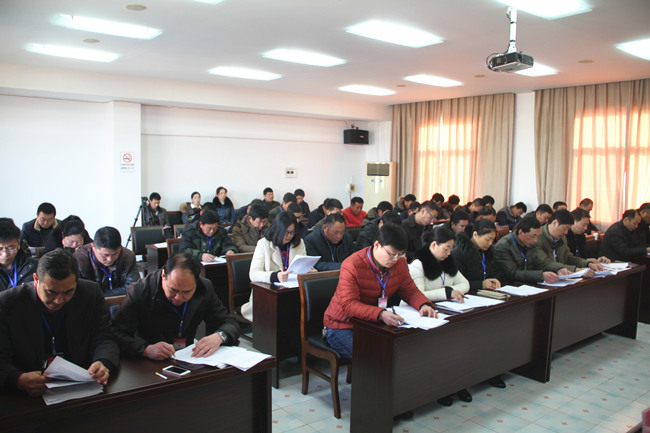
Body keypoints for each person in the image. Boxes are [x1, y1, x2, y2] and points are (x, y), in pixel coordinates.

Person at [0, 249, 118, 396]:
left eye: (68, 292)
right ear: (36, 279)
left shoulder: (90, 293)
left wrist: (103, 362)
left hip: (80, 386)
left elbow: (104, 338)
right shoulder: (8, 303)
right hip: (28, 392)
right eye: (51, 292)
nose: (59, 300)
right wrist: (18, 379)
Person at [323, 224, 436, 361]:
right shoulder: (352, 264)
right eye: (392, 254)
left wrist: (423, 304)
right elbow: (349, 305)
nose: (395, 259)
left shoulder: (400, 263)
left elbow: (410, 290)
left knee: (403, 351)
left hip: (372, 322)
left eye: (400, 254)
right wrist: (380, 314)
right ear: (377, 245)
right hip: (342, 325)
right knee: (374, 360)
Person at [111, 252, 240, 360]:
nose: (178, 297)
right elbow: (116, 332)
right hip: (147, 362)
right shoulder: (140, 291)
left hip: (187, 357)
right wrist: (145, 349)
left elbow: (229, 322)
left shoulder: (204, 288)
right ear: (163, 275)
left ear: (197, 280)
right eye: (173, 290)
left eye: (186, 292)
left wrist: (220, 336)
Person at [406, 226, 470, 406]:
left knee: (459, 345)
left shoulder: (448, 262)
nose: (449, 253)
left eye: (451, 249)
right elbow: (418, 294)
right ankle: (439, 388)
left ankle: (456, 384)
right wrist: (447, 292)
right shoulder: (418, 264)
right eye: (446, 248)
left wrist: (450, 292)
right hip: (421, 314)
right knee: (440, 348)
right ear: (434, 245)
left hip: (444, 311)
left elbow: (465, 284)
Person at [240, 212, 307, 322]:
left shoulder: (299, 243)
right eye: (286, 232)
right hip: (269, 294)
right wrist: (275, 276)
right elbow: (253, 274)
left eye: (292, 232)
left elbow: (302, 264)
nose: (289, 236)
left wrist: (308, 271)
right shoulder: (264, 244)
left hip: (293, 290)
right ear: (278, 230)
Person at [493, 216, 570, 285]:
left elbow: (541, 263)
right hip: (509, 285)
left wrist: (558, 269)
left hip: (528, 284)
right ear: (521, 232)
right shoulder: (503, 246)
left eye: (538, 236)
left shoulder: (531, 244)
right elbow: (513, 273)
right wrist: (541, 275)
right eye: (533, 236)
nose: (536, 240)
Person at [74, 226, 139, 297]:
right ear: (93, 247)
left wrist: (102, 296)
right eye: (105, 255)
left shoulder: (127, 256)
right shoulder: (79, 259)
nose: (110, 259)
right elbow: (78, 291)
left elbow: (133, 288)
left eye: (115, 254)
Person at [535, 210, 601, 275]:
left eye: (568, 229)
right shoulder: (537, 237)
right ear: (555, 223)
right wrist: (575, 270)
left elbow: (568, 257)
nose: (566, 232)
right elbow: (546, 263)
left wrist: (588, 264)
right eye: (565, 228)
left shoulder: (563, 238)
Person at [452, 219, 502, 292]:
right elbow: (456, 283)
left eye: (492, 240)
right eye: (487, 239)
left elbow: (497, 271)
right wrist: (481, 284)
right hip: (468, 293)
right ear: (475, 235)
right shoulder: (459, 253)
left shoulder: (490, 251)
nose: (490, 243)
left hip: (488, 292)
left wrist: (495, 280)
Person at [0, 220, 37, 292]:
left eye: (10, 249)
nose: (5, 254)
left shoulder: (34, 267)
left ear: (18, 244)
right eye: (0, 249)